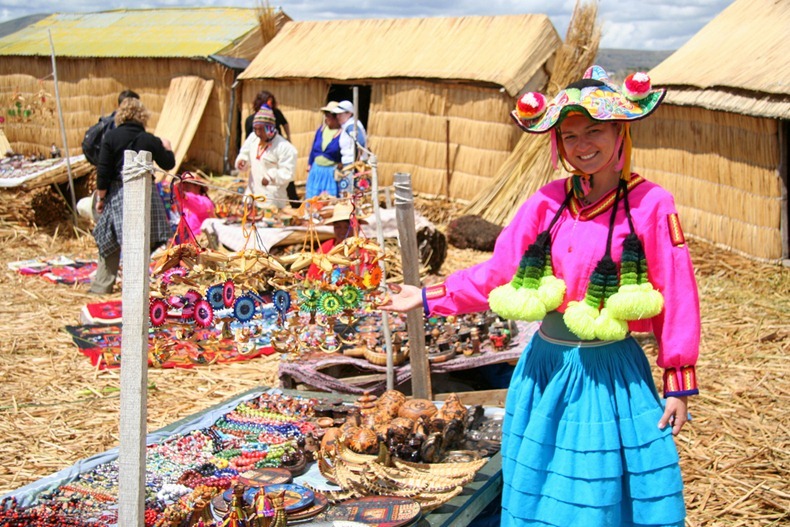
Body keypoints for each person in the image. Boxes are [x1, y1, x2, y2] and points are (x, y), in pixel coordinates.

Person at [382, 66, 699, 526]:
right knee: (541, 485)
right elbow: (501, 273)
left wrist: (679, 381)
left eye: (594, 131)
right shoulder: (547, 203)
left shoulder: (651, 204)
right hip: (545, 368)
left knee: (597, 486)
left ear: (619, 131)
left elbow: (677, 286)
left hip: (607, 373)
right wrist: (429, 296)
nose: (582, 145)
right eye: (570, 136)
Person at [90, 97, 175, 294]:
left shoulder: (111, 137)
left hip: (119, 194)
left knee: (109, 239)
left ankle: (103, 287)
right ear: (142, 117)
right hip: (146, 194)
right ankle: (136, 284)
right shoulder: (149, 139)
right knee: (145, 239)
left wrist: (101, 199)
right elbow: (168, 163)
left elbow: (103, 171)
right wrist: (167, 146)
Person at [235, 106, 297, 209]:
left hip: (271, 199)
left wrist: (271, 176)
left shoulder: (285, 148)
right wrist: (242, 161)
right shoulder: (253, 138)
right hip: (252, 195)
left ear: (270, 128)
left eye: (261, 129)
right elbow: (244, 153)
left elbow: (288, 173)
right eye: (255, 129)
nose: (258, 133)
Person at [305, 101, 354, 199]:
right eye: (325, 115)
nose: (326, 118)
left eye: (328, 115)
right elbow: (313, 149)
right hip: (316, 171)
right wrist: (310, 164)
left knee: (328, 201)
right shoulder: (321, 130)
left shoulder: (343, 134)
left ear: (336, 117)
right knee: (312, 200)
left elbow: (346, 152)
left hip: (331, 174)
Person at [172, 172, 215, 241]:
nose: (184, 189)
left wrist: (184, 196)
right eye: (182, 186)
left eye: (187, 186)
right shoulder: (184, 207)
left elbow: (198, 205)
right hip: (191, 243)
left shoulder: (205, 201)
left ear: (198, 186)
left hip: (204, 241)